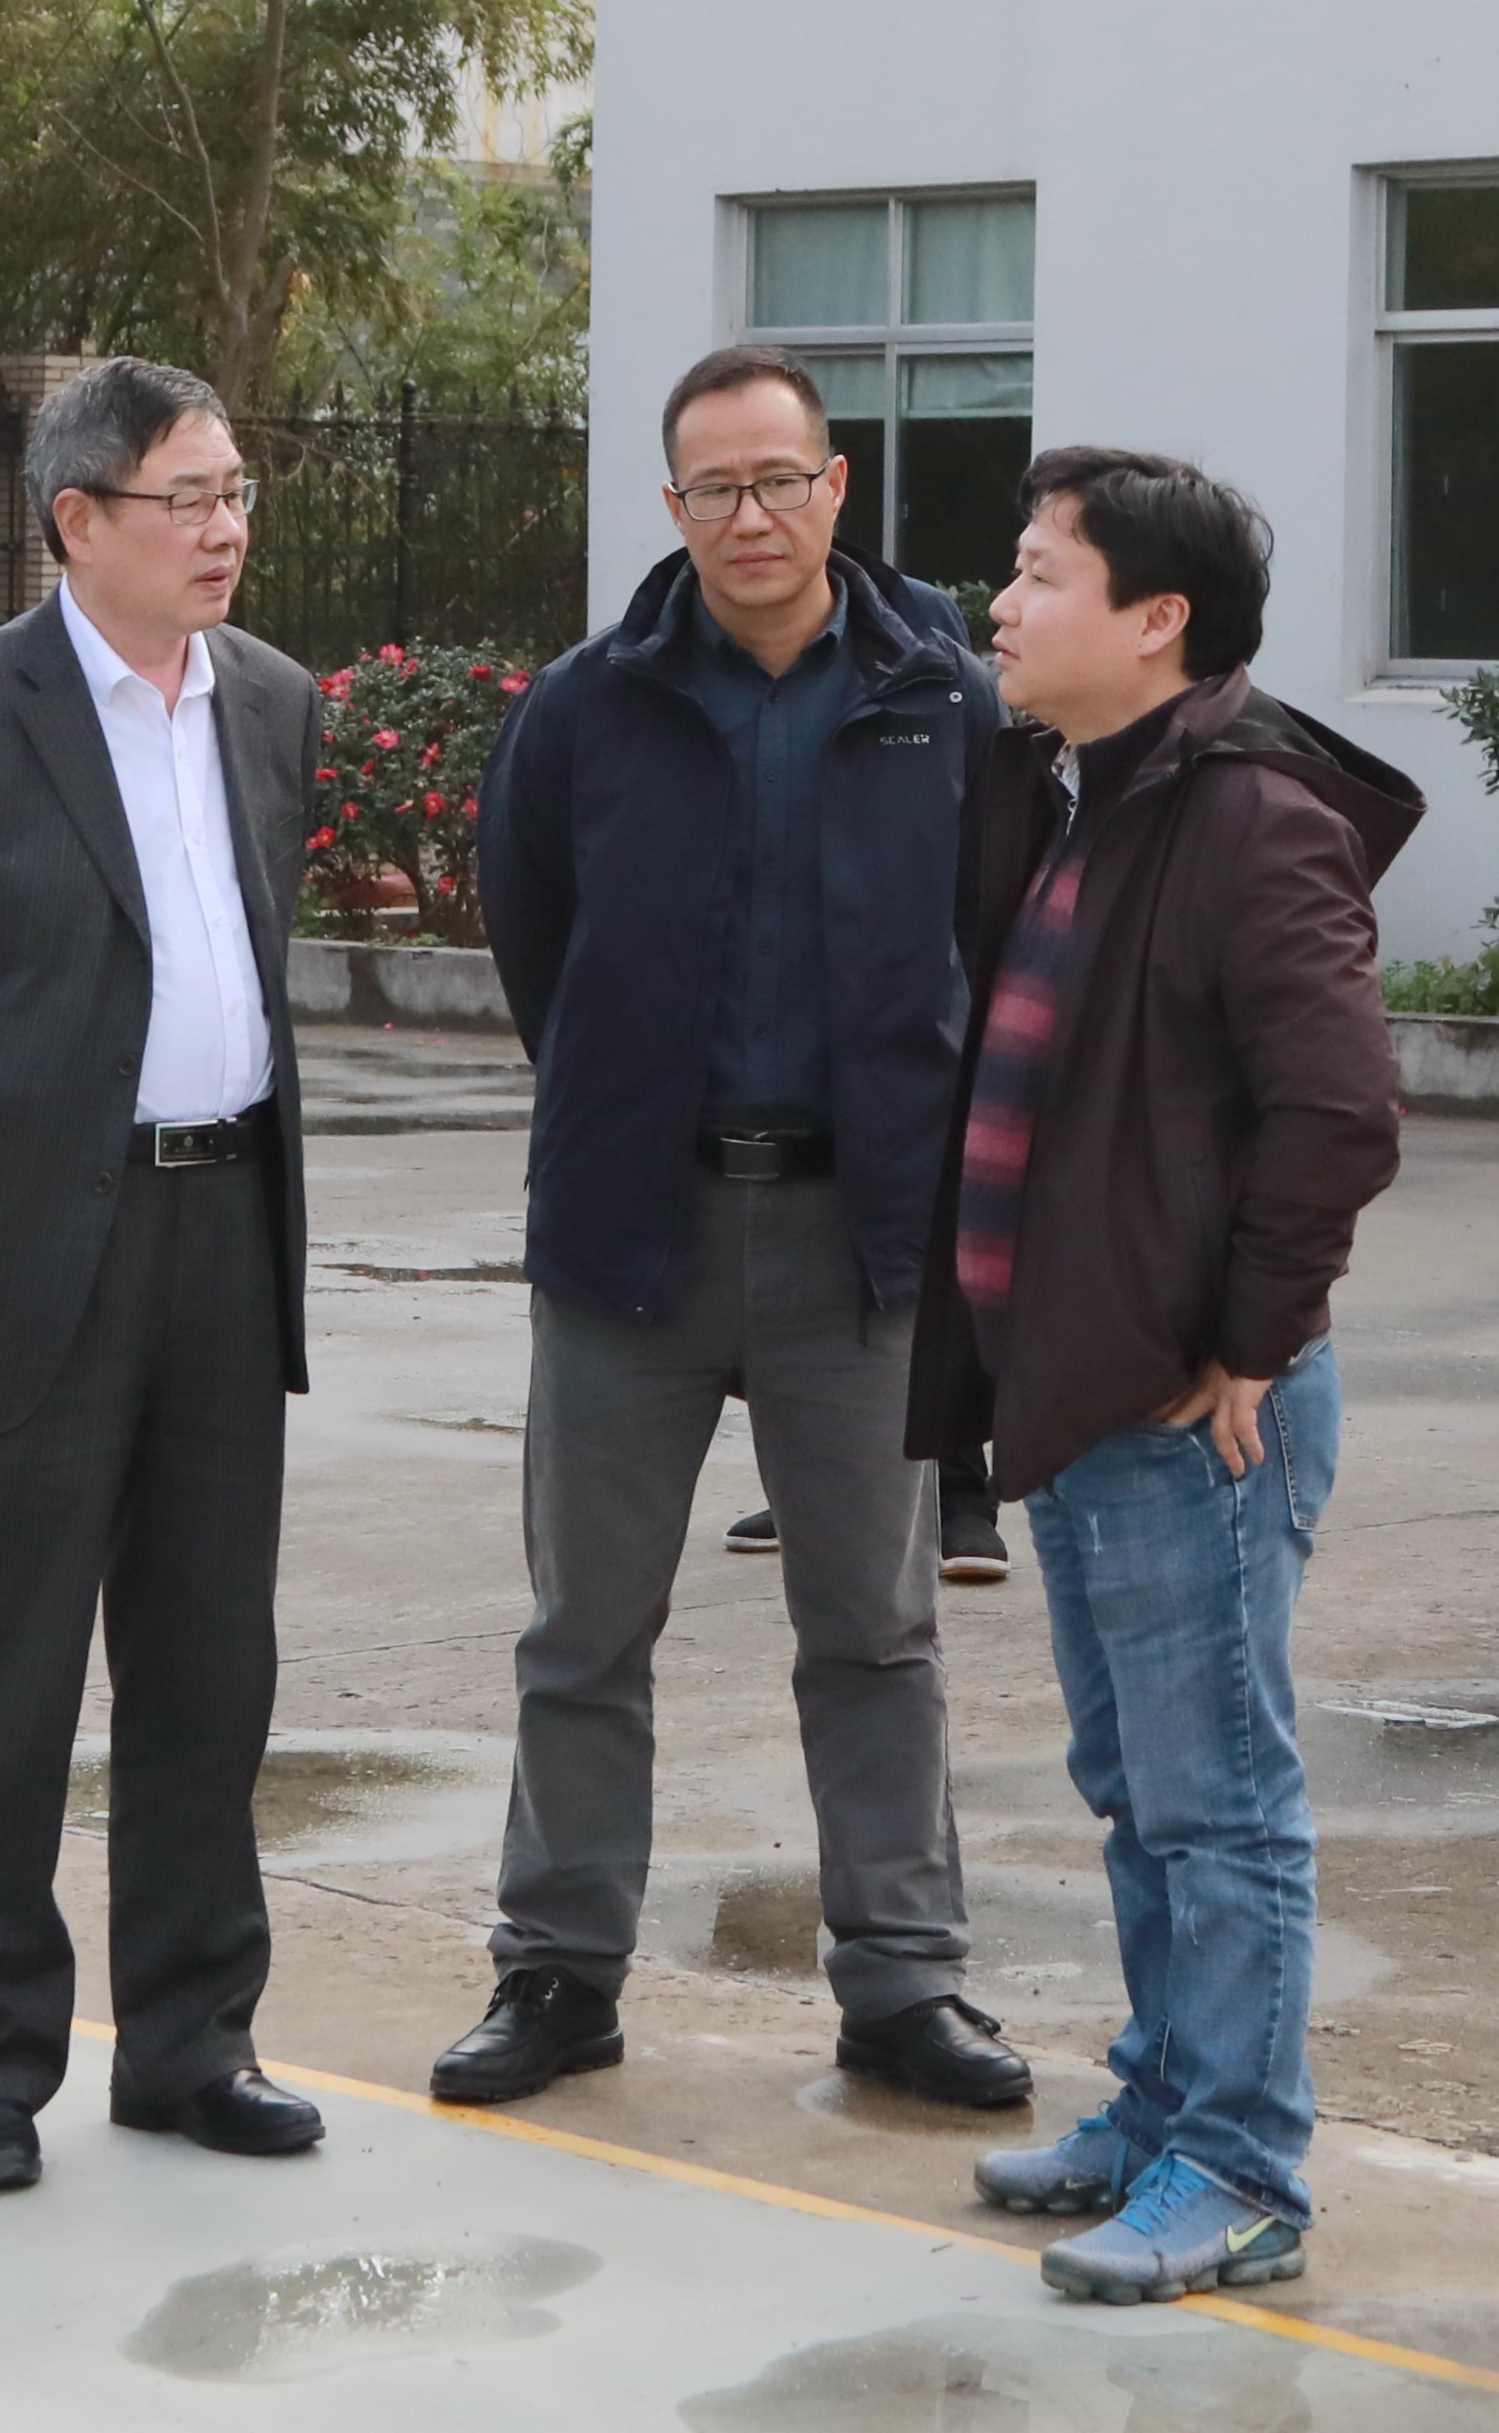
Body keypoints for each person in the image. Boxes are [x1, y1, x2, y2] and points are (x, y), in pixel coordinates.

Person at [430, 341, 1030, 2117]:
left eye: (781, 480)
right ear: (672, 504)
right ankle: (558, 1974)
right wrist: (631, 1112)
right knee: (584, 1629)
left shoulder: (944, 700)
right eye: (716, 486)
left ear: (837, 490)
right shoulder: (585, 708)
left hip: (863, 1244)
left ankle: (904, 1985)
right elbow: (537, 940)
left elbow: (994, 944)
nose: (751, 514)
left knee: (877, 1631)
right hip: (634, 1236)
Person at [0, 356, 325, 2194]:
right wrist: (4, 1150)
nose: (226, 528)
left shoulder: (270, 702)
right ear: (78, 520)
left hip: (226, 1234)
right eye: (189, 498)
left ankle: (194, 2042)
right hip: (26, 1251)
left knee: (210, 1669)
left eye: (237, 491)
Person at [923, 447, 1416, 2307]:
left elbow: (1340, 1111)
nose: (1002, 605)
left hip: (1190, 1409)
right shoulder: (1082, 791)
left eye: (1041, 575)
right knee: (1138, 1784)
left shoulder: (1247, 819)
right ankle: (1160, 2107)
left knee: (1219, 1805)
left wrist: (1249, 1342)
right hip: (1082, 1387)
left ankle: (1241, 2170)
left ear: (1158, 621)